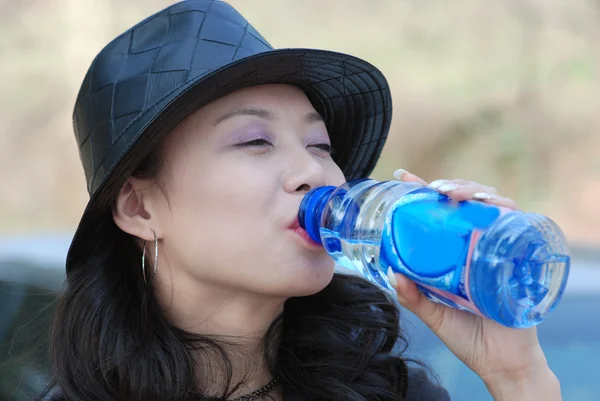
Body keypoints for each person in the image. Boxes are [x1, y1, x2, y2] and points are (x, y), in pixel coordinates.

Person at [40, 1, 562, 400]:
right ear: (140, 208)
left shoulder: (388, 389)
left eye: (321, 146)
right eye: (255, 141)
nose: (315, 172)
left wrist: (517, 376)